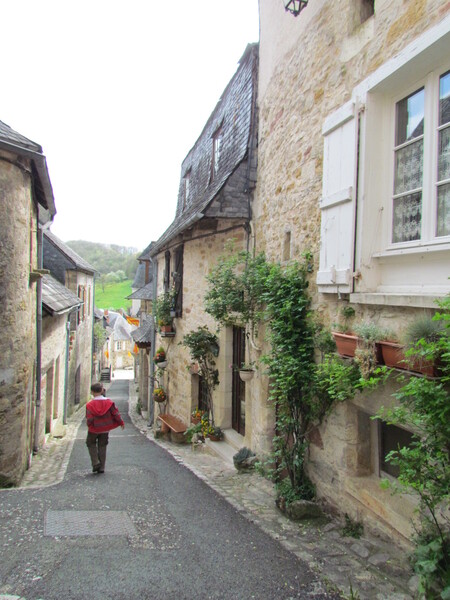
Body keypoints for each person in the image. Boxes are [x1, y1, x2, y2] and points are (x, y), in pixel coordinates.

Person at [86, 382, 124, 474]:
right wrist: (121, 422)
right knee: (102, 446)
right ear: (102, 390)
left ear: (92, 392)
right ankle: (102, 467)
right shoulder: (109, 403)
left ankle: (95, 462)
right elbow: (115, 413)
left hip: (94, 429)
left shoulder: (89, 405)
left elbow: (89, 418)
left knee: (90, 443)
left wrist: (89, 425)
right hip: (105, 428)